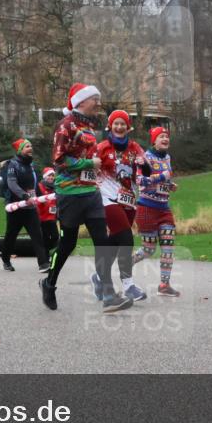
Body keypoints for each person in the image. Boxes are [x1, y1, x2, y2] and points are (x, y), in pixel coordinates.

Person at [40, 83, 132, 313]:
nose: (99, 103)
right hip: (70, 193)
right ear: (81, 101)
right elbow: (59, 160)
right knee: (67, 244)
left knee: (102, 242)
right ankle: (49, 283)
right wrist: (89, 163)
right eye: (95, 99)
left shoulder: (89, 126)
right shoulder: (65, 125)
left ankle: (109, 295)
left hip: (91, 192)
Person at [91, 110, 148, 301]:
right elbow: (88, 167)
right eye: (116, 123)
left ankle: (99, 278)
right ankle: (128, 286)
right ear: (110, 126)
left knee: (115, 244)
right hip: (107, 198)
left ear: (128, 127)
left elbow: (146, 171)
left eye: (123, 123)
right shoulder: (101, 147)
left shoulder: (134, 147)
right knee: (126, 238)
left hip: (128, 200)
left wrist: (143, 164)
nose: (119, 126)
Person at [132, 127, 181, 297]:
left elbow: (164, 179)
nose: (165, 139)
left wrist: (169, 185)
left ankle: (164, 285)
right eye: (161, 136)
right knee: (149, 249)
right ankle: (126, 264)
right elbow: (139, 180)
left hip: (164, 209)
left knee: (168, 247)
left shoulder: (167, 157)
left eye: (167, 136)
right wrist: (162, 177)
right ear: (154, 141)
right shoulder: (144, 158)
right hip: (147, 208)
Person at [0, 138, 50, 272]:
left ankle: (43, 264)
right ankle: (6, 260)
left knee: (37, 235)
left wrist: (41, 197)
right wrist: (25, 196)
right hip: (15, 207)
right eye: (27, 146)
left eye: (31, 146)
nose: (30, 148)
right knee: (11, 236)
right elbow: (12, 184)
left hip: (30, 207)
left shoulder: (31, 165)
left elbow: (34, 185)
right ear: (20, 150)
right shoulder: (13, 165)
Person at [36, 167, 59, 253]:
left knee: (55, 237)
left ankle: (44, 251)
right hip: (42, 217)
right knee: (45, 237)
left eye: (52, 176)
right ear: (45, 176)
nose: (51, 177)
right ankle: (45, 255)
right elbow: (36, 200)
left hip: (52, 217)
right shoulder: (39, 186)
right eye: (49, 175)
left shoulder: (55, 187)